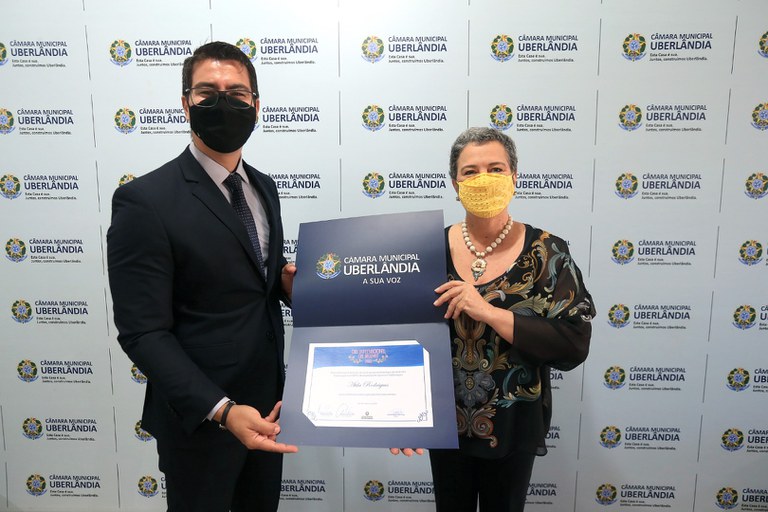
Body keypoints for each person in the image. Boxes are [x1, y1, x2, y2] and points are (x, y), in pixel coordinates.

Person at [107, 41, 298, 512]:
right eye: (208, 93)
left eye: (237, 94)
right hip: (199, 419)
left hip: (269, 408)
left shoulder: (264, 187)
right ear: (186, 103)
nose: (223, 103)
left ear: (256, 105)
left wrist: (288, 284)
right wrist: (223, 410)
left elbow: (253, 275)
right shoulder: (145, 201)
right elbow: (143, 332)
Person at [393, 127, 595, 512]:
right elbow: (401, 336)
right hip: (443, 422)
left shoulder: (548, 252)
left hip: (514, 423)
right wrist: (398, 414)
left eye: (496, 169)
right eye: (470, 171)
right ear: (455, 184)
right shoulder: (426, 250)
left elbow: (573, 342)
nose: (483, 179)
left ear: (514, 178)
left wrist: (487, 311)